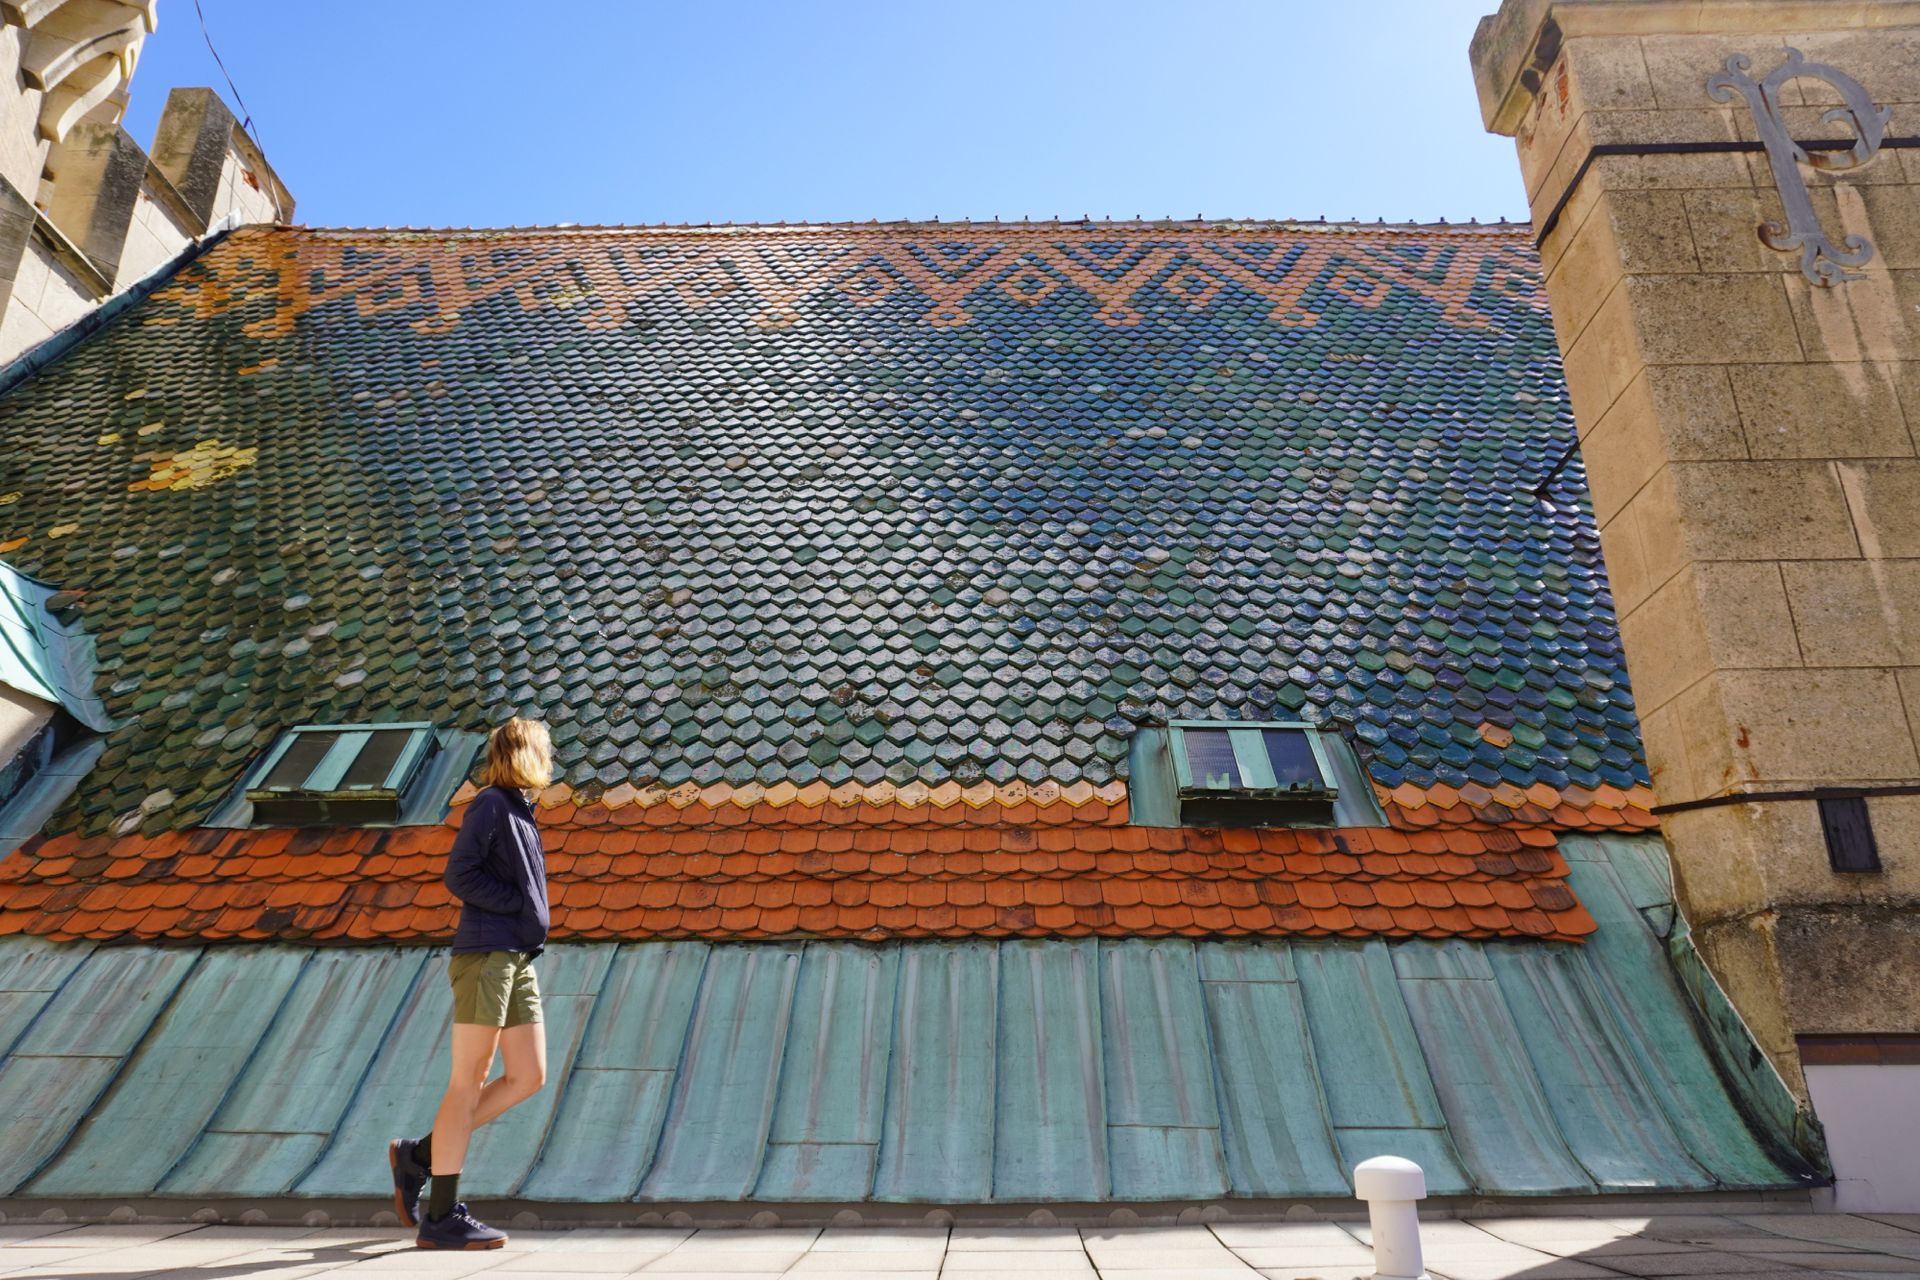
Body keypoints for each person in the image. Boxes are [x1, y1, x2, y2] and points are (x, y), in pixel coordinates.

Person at [389, 717, 553, 1250]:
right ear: (526, 754)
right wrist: (515, 908)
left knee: (528, 1075)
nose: (551, 760)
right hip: (486, 955)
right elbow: (459, 874)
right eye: (545, 750)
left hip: (514, 957)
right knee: (469, 1080)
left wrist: (521, 921)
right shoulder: (491, 805)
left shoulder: (519, 810)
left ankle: (418, 1156)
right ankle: (441, 1216)